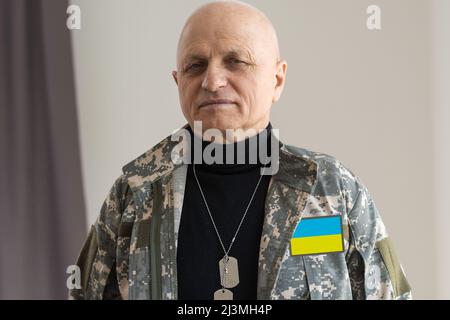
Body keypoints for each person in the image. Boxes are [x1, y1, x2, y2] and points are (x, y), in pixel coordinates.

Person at [70, 0, 411, 300]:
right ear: (178, 81)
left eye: (236, 62)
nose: (213, 80)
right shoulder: (135, 191)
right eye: (196, 65)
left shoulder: (333, 190)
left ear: (277, 80)